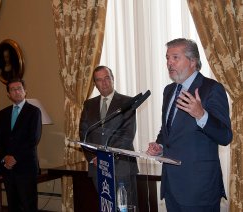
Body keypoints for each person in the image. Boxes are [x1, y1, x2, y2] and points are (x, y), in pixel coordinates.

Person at [146, 38, 233, 212]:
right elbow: (168, 129)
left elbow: (225, 136)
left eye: (175, 57)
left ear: (193, 61)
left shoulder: (212, 88)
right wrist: (160, 145)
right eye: (167, 58)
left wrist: (201, 115)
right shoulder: (169, 90)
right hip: (172, 186)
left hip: (199, 190)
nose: (169, 63)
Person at [79, 65, 139, 209]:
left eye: (107, 78)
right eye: (99, 80)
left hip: (121, 166)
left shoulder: (127, 102)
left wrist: (105, 156)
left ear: (113, 79)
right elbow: (84, 133)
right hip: (96, 166)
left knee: (124, 207)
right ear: (95, 84)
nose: (104, 83)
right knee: (106, 207)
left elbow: (127, 135)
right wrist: (93, 157)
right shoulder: (89, 104)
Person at [0, 78, 42, 212]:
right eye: (13, 90)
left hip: (25, 168)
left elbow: (33, 139)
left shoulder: (34, 112)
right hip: (8, 169)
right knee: (13, 206)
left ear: (25, 91)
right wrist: (5, 157)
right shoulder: (3, 114)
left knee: (28, 206)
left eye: (19, 88)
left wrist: (15, 157)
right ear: (8, 94)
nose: (16, 92)